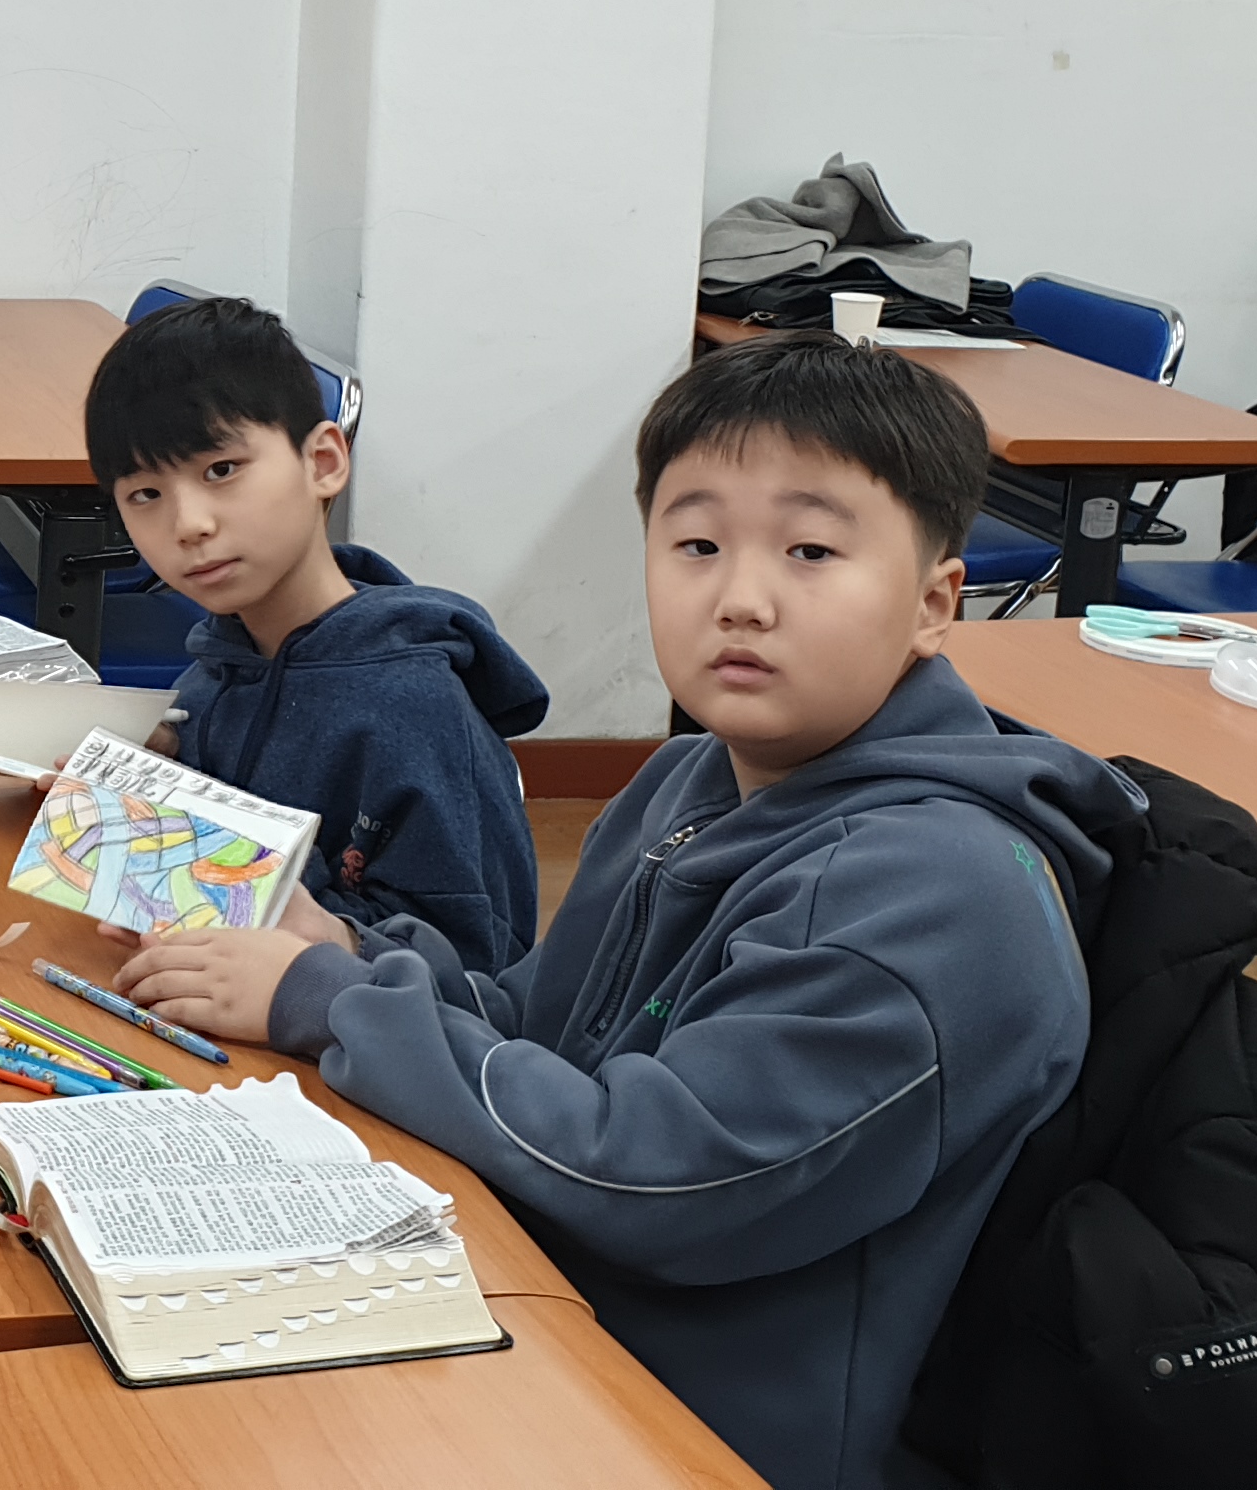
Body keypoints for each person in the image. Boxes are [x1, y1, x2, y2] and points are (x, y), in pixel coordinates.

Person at [118, 333, 1134, 1490]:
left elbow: (654, 1176)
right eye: (697, 544)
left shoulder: (939, 895)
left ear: (933, 602)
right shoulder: (692, 777)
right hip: (547, 1298)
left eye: (809, 550)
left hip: (693, 1423)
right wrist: (348, 947)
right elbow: (542, 1018)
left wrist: (329, 1001)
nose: (740, 599)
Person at [81, 296, 549, 970]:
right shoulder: (214, 673)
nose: (189, 525)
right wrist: (154, 787)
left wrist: (260, 876)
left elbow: (480, 971)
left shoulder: (415, 710)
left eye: (221, 470)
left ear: (324, 462)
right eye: (145, 495)